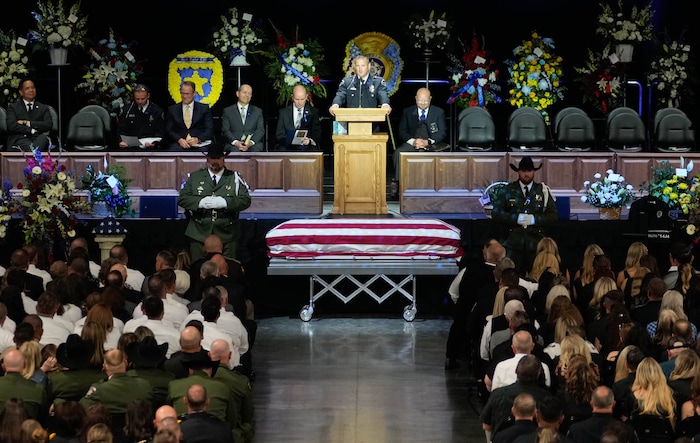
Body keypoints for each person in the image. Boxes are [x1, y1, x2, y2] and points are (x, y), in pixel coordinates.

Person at [178, 143, 251, 261]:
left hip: (227, 233)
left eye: (218, 158)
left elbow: (245, 200)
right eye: (212, 158)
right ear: (207, 158)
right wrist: (200, 202)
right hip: (199, 232)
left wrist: (225, 202)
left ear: (224, 158)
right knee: (198, 269)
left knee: (229, 270)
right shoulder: (195, 177)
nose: (215, 161)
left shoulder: (234, 177)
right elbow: (182, 199)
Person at [491, 156, 559, 276]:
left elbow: (553, 216)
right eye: (523, 171)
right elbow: (496, 213)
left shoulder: (542, 191)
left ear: (534, 172)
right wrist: (515, 218)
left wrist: (535, 219)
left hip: (536, 244)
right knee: (510, 277)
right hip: (513, 243)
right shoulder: (508, 190)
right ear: (518, 172)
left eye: (529, 171)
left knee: (538, 277)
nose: (526, 174)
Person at [391, 87, 448, 198]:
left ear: (430, 99)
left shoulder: (438, 112)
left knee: (439, 155)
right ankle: (398, 184)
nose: (422, 103)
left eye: (425, 100)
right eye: (420, 100)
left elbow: (442, 132)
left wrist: (428, 142)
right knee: (398, 153)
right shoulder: (407, 111)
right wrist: (413, 142)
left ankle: (437, 187)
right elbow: (402, 131)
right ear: (416, 98)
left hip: (431, 143)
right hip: (413, 142)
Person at [5, 78, 53, 151]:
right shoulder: (13, 107)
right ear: (21, 92)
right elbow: (12, 125)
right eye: (27, 88)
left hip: (38, 138)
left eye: (33, 87)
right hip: (20, 138)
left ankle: (33, 156)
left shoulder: (43, 108)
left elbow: (48, 124)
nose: (31, 90)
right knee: (31, 147)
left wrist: (28, 123)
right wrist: (31, 131)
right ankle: (34, 156)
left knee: (43, 139)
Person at [165, 80, 214, 150]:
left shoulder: (204, 109)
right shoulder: (172, 109)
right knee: (173, 150)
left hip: (199, 143)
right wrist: (179, 139)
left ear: (194, 93)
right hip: (179, 143)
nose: (184, 96)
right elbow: (169, 129)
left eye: (187, 94)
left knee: (204, 151)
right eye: (182, 93)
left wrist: (198, 139)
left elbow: (209, 129)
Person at [117, 83, 165, 149]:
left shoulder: (157, 111)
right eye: (137, 99)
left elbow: (160, 133)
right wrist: (120, 141)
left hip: (150, 146)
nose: (140, 101)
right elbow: (121, 130)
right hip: (131, 146)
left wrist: (154, 143)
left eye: (142, 99)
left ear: (148, 96)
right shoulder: (126, 110)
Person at [274, 84, 322, 151]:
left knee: (313, 149)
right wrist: (289, 141)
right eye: (297, 99)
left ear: (306, 97)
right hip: (287, 146)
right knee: (281, 149)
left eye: (302, 99)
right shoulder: (283, 113)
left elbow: (316, 132)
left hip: (306, 145)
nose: (300, 102)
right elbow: (279, 134)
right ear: (292, 97)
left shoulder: (313, 112)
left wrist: (309, 140)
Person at [221, 84, 265, 152]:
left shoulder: (257, 111)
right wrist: (236, 143)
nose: (247, 95)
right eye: (244, 92)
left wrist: (250, 142)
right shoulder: (227, 111)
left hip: (252, 145)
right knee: (235, 152)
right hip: (234, 144)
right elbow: (225, 130)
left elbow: (260, 130)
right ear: (238, 93)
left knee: (254, 151)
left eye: (249, 93)